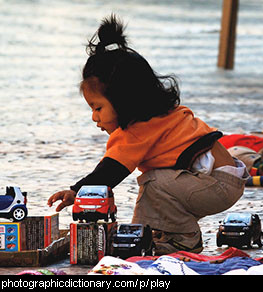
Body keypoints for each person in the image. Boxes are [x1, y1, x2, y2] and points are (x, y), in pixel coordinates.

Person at [48, 14, 249, 254]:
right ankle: (157, 232)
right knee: (158, 182)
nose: (94, 117)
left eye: (98, 108)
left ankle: (183, 238)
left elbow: (112, 170)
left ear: (124, 100)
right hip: (223, 181)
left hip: (217, 186)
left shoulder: (138, 130)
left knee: (153, 182)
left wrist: (77, 190)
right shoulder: (162, 116)